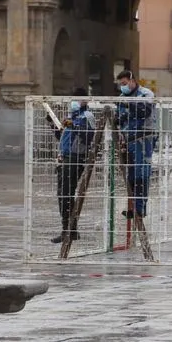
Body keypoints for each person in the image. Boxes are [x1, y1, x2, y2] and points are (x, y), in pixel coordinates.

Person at [51, 89, 96, 244]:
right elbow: (61, 136)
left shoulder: (87, 116)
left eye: (78, 99)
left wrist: (74, 125)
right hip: (64, 158)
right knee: (63, 195)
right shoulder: (71, 116)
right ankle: (69, 229)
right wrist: (54, 124)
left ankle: (68, 230)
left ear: (85, 101)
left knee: (66, 194)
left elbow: (89, 137)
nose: (75, 102)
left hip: (76, 158)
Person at [116, 70, 156, 220]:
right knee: (131, 175)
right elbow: (118, 119)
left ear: (132, 80)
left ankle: (141, 208)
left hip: (143, 138)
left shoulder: (146, 94)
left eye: (125, 83)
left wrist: (128, 107)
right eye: (121, 84)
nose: (123, 87)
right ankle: (133, 207)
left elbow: (144, 112)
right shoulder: (121, 97)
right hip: (128, 139)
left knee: (142, 173)